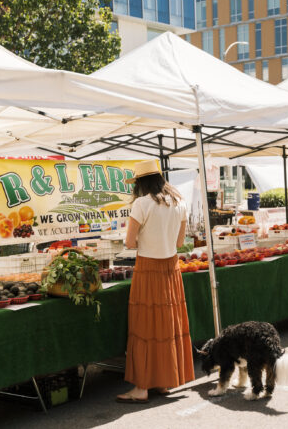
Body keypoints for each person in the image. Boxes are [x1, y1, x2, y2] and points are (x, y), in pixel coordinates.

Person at [116, 160, 195, 404]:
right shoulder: (179, 202)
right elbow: (180, 241)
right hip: (171, 269)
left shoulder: (142, 204)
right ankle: (163, 381)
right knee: (167, 326)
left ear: (140, 182)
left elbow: (129, 242)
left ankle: (141, 388)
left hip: (148, 269)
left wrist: (146, 241)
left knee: (144, 327)